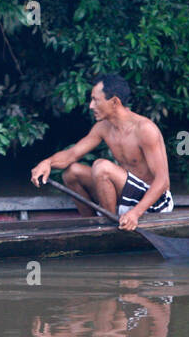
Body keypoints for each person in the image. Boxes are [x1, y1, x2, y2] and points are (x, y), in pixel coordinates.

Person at [29, 73, 172, 230]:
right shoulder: (103, 127)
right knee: (71, 172)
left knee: (102, 167)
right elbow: (72, 154)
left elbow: (163, 181)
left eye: (96, 100)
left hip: (154, 203)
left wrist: (136, 213)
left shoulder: (145, 129)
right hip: (126, 196)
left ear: (114, 101)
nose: (91, 106)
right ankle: (94, 226)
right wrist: (47, 162)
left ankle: (107, 227)